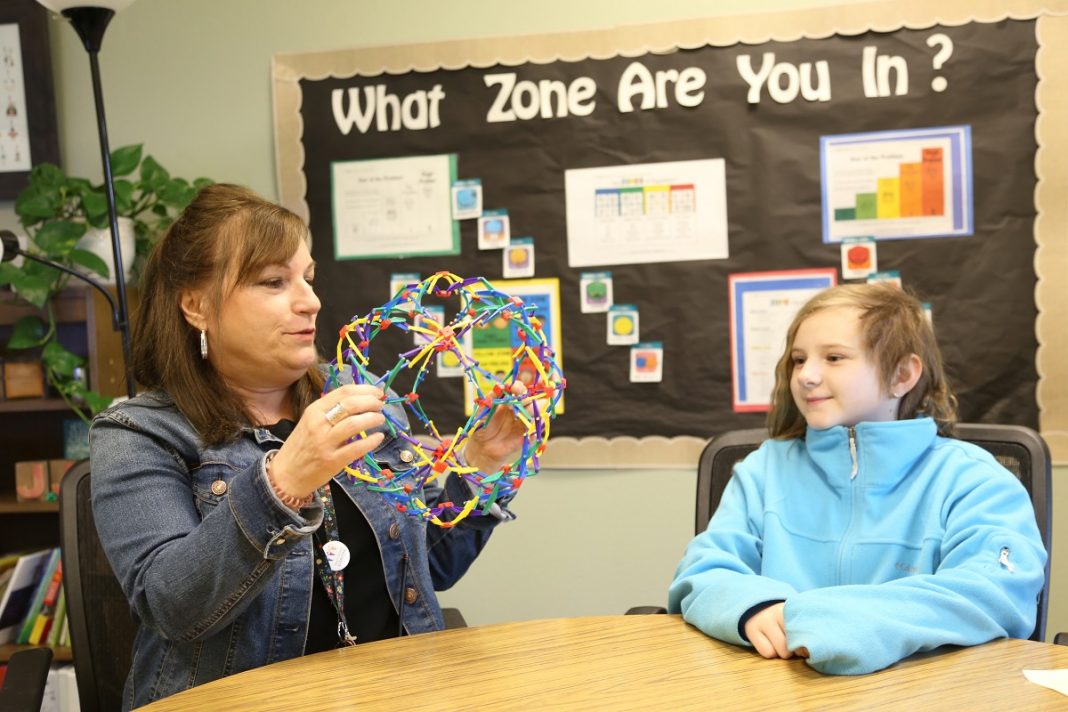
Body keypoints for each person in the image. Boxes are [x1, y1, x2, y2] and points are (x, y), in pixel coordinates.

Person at [90, 184, 527, 709]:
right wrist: (282, 484)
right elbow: (173, 608)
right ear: (195, 305)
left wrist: (478, 472)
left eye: (308, 278)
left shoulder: (363, 398)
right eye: (274, 282)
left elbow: (423, 570)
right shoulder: (138, 434)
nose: (310, 300)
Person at [668, 283, 1046, 675]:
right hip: (779, 689)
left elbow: (995, 593)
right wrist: (754, 607)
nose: (807, 376)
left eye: (833, 357)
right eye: (799, 360)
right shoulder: (763, 470)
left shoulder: (974, 478)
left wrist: (835, 619)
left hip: (919, 692)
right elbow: (704, 571)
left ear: (902, 375)